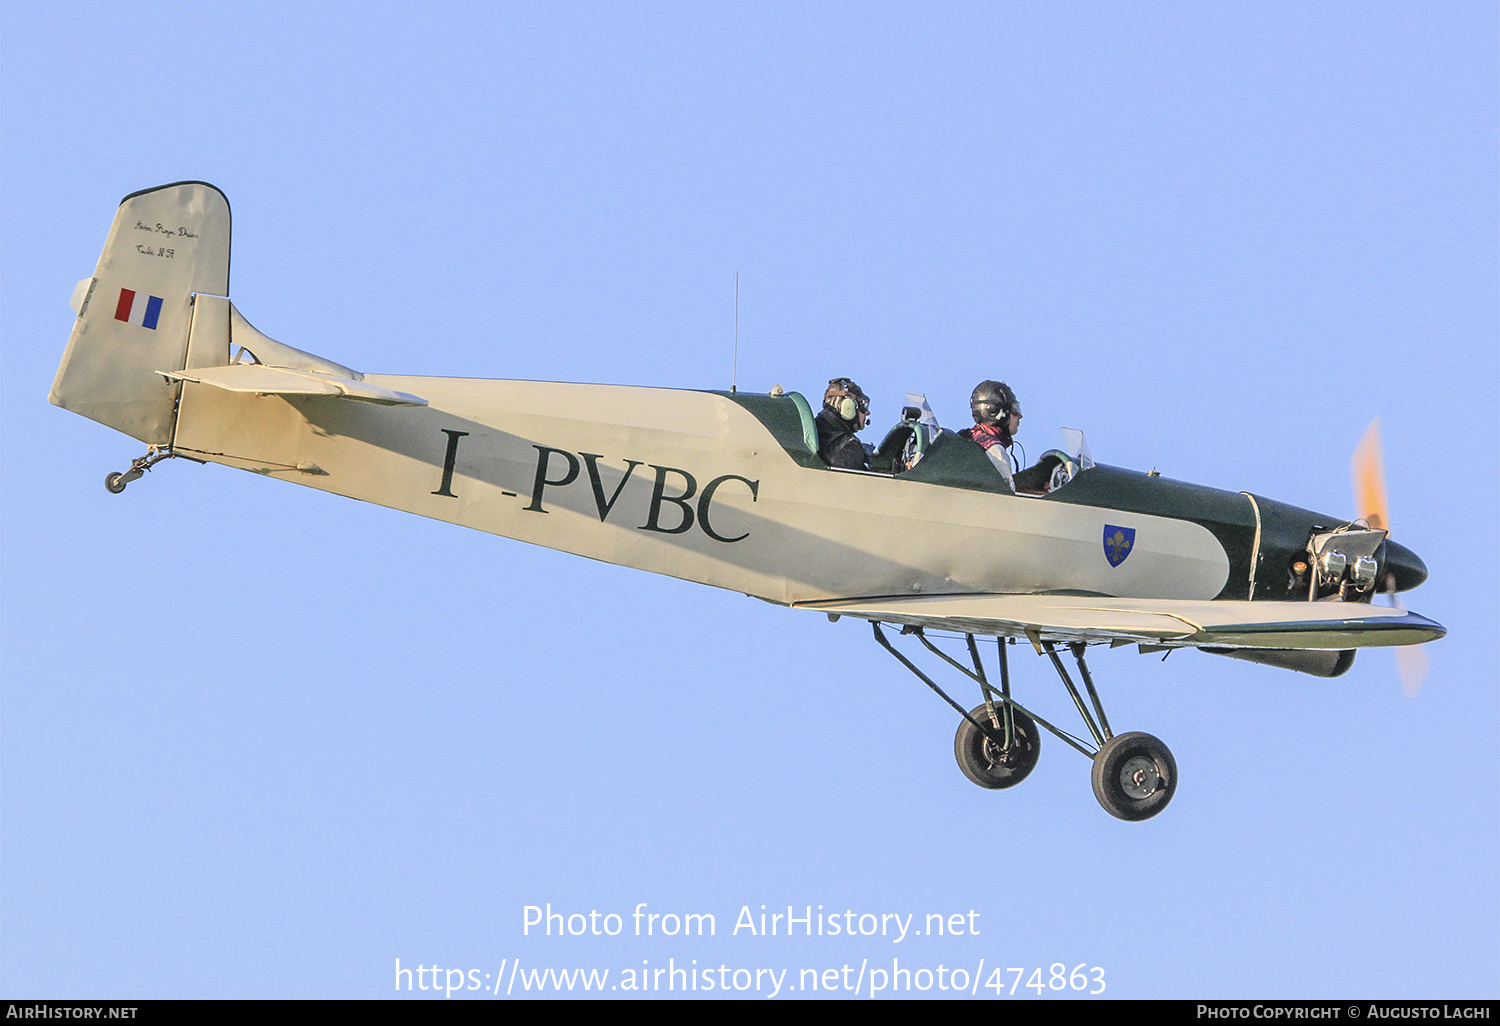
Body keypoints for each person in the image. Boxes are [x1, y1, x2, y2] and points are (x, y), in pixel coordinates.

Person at [959, 380, 1022, 487]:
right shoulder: (994, 449)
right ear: (995, 411)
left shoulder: (963, 439)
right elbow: (1005, 496)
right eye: (1014, 410)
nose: (1019, 416)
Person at [815, 378, 872, 470]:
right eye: (861, 405)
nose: (867, 413)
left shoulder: (815, 429)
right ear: (848, 405)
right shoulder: (847, 446)